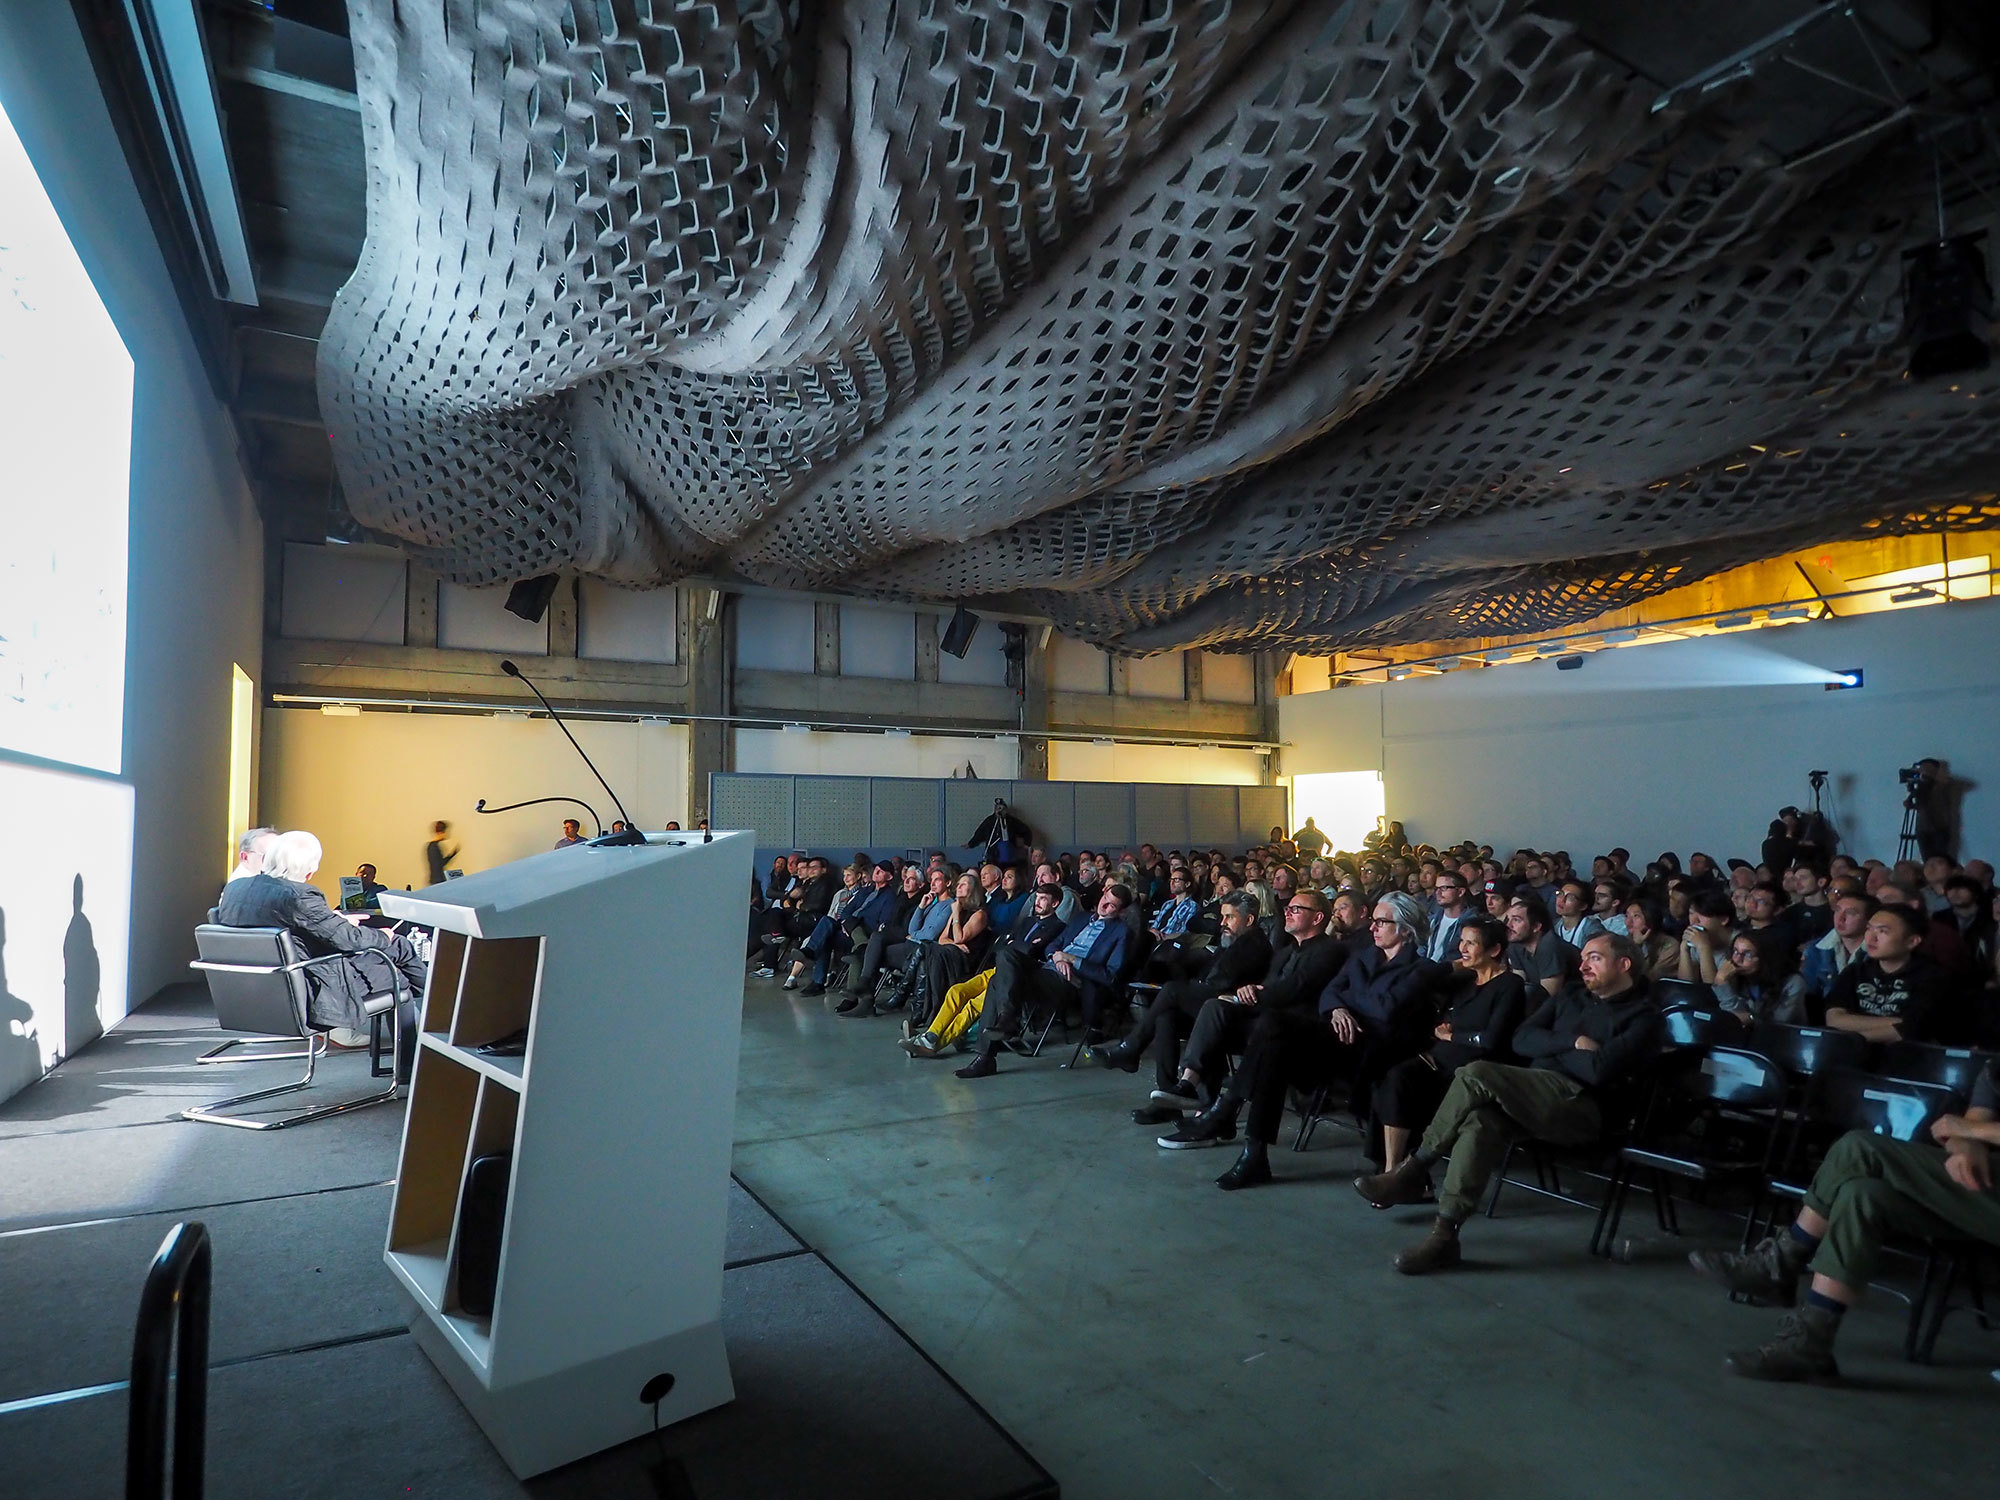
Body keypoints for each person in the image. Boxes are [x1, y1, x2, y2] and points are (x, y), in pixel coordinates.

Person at [1354, 933, 1664, 1274]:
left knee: (1475, 1072)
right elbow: (1522, 1039)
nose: (1583, 965)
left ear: (1624, 964)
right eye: (1584, 957)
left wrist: (1553, 1049)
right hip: (1535, 1093)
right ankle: (1445, 1236)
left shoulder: (1644, 1018)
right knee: (1481, 1121)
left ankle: (1413, 1170)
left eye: (1595, 958)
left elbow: (1599, 1070)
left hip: (1585, 1109)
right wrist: (1573, 1042)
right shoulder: (1573, 994)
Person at [1687, 1055, 2000, 1381]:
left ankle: (1778, 1264)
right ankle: (1810, 1346)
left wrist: (1972, 1131)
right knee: (1862, 1195)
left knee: (1859, 1148)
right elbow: (1969, 1123)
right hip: (1981, 1195)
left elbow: (1967, 1125)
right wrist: (1967, 1142)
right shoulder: (1996, 1068)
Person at [1160, 892, 1442, 1185]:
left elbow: (1386, 1010)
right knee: (1272, 1047)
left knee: (1274, 1033)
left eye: (1382, 922)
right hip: (1336, 1039)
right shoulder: (1365, 957)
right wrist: (1338, 1007)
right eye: (1374, 921)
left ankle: (1228, 1113)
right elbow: (1332, 991)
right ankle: (1253, 1152)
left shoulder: (1422, 970)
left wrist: (1347, 1001)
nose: (1372, 928)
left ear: (1406, 929)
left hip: (1369, 1052)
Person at [215, 830, 426, 1080]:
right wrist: (384, 936)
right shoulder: (300, 895)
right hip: (310, 988)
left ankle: (434, 1018)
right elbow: (349, 940)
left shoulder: (236, 889)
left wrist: (334, 921)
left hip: (257, 989)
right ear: (309, 872)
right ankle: (415, 1061)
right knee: (397, 972)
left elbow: (291, 924)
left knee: (398, 950)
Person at [1148, 889, 1350, 1117]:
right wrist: (1246, 992)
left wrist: (1241, 997)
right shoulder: (1284, 952)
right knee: (1186, 1013)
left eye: (1296, 909)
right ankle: (1183, 1091)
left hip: (1290, 1030)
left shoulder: (1331, 950)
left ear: (1317, 917)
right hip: (1262, 1019)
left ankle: (1202, 1107)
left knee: (1208, 1008)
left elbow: (1296, 988)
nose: (1288, 914)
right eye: (1287, 909)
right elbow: (1267, 985)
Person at [1085, 891, 1273, 1105]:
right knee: (1167, 1015)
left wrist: (1193, 987)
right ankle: (1168, 1097)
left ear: (1249, 920)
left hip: (1232, 1011)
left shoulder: (1254, 944)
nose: (1222, 923)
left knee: (1173, 991)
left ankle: (1131, 1048)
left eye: (1229, 917)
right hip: (1213, 1001)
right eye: (1222, 917)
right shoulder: (1233, 941)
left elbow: (1223, 983)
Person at [1372, 915, 1527, 1172]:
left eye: (1471, 943)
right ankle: (1392, 1169)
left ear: (1495, 950)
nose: (1462, 949)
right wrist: (1449, 967)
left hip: (1471, 1073)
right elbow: (1418, 982)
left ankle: (1399, 1175)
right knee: (1390, 1078)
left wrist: (1451, 1036)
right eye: (1461, 942)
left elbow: (1490, 1039)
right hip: (1437, 1061)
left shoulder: (1510, 985)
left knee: (1400, 1084)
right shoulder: (1465, 980)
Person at [954, 885, 1134, 1077]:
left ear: (1121, 912)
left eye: (1112, 906)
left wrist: (1073, 960)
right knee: (1007, 955)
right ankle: (1007, 1018)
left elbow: (1111, 975)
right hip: (1047, 967)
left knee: (997, 982)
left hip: (1071, 981)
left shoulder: (1122, 932)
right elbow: (1054, 945)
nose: (1104, 905)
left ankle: (987, 1055)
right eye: (1105, 898)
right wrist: (1056, 956)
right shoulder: (1081, 918)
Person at [901, 885, 1070, 1056]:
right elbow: (1004, 946)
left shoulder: (1058, 926)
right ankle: (930, 1035)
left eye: (1043, 899)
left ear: (1055, 903)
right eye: (1037, 897)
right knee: (956, 991)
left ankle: (933, 1042)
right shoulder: (1028, 921)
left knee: (974, 1005)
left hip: (1017, 977)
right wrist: (1019, 946)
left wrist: (1016, 946)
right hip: (1000, 967)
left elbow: (1031, 951)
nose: (1037, 902)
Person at [1821, 903, 1948, 1042]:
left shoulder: (1932, 976)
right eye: (1869, 929)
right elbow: (1834, 1020)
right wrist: (1897, 1023)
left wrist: (1854, 1035)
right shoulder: (1856, 970)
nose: (1871, 938)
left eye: (1883, 931)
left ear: (1912, 941)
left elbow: (1913, 1030)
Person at [835, 864, 926, 1012]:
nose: (907, 882)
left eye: (912, 879)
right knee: (866, 948)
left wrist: (883, 929)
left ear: (921, 885)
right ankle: (863, 1000)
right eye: (906, 878)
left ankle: (860, 995)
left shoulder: (920, 902)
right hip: (889, 937)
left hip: (906, 943)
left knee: (870, 946)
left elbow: (907, 929)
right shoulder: (901, 898)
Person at [1796, 891, 1871, 1016]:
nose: (1841, 918)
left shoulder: (1878, 952)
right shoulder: (1816, 949)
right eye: (1837, 910)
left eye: (1851, 913)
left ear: (1869, 920)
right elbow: (1808, 993)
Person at [1506, 893, 1575, 998]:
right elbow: (1517, 985)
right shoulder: (1515, 943)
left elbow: (1548, 997)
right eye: (1508, 919)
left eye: (1516, 920)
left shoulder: (1550, 946)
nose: (1508, 925)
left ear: (1536, 927)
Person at [1420, 869, 1474, 964]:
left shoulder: (1472, 923)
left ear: (1461, 892)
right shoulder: (1432, 920)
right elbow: (1422, 948)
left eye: (1444, 888)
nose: (1438, 893)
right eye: (1436, 888)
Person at [1622, 898, 1681, 982]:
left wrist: (1637, 946)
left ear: (1650, 917)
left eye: (1636, 916)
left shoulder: (1670, 945)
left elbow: (1648, 978)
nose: (1628, 922)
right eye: (1627, 916)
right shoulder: (1627, 939)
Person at [1549, 880, 1606, 951]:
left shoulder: (1592, 929)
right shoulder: (1554, 925)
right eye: (1560, 894)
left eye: (1570, 897)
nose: (1562, 900)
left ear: (1583, 906)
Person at [423, 821, 457, 885]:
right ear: (442, 832)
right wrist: (453, 853)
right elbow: (440, 864)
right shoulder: (434, 846)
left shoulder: (431, 846)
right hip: (438, 880)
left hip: (435, 880)